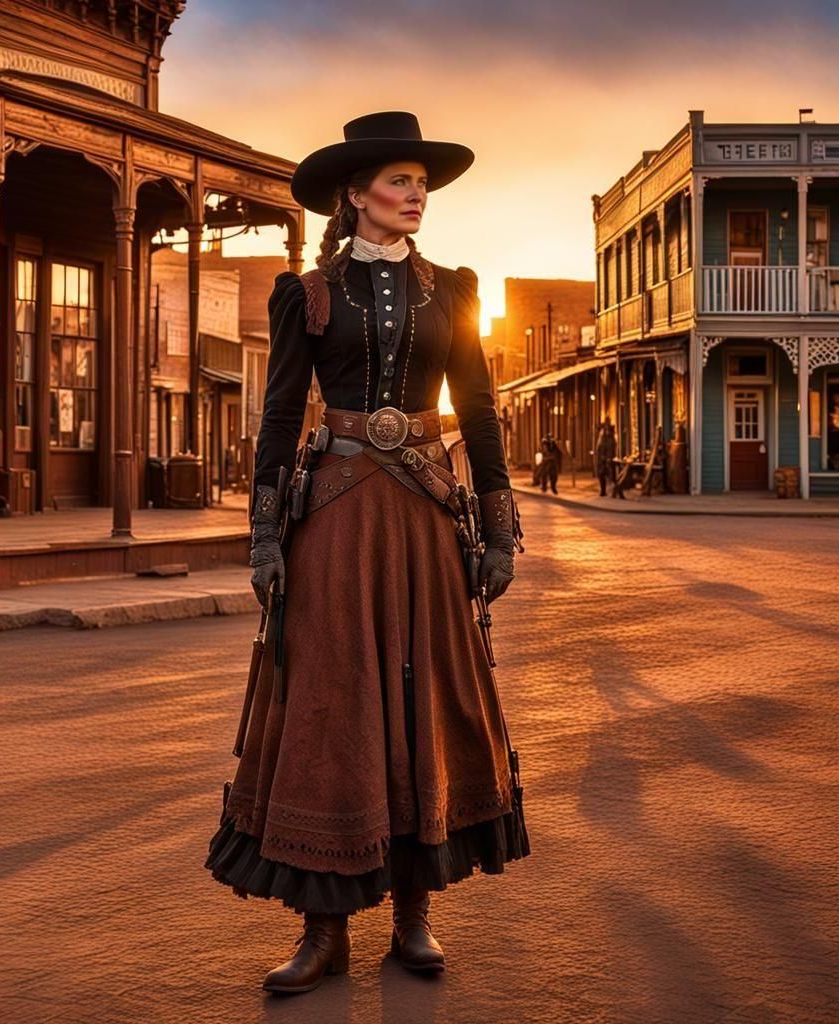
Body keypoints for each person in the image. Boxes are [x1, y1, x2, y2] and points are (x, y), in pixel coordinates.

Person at [204, 111, 530, 994]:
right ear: (354, 196)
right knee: (333, 708)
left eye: (421, 181)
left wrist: (498, 527)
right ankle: (323, 935)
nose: (416, 193)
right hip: (337, 520)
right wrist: (265, 532)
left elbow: (483, 409)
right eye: (398, 180)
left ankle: (415, 920)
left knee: (423, 699)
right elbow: (278, 417)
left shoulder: (452, 292)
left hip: (425, 516)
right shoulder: (308, 294)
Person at [595, 419, 617, 497]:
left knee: (611, 476)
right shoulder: (601, 439)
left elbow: (611, 448)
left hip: (608, 459)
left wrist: (609, 457)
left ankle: (613, 491)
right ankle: (603, 491)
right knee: (602, 475)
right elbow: (599, 449)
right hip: (602, 460)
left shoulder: (610, 439)